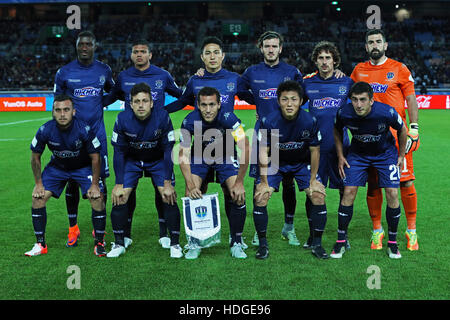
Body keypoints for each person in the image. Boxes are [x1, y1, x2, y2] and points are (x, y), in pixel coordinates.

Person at [166, 36, 251, 248]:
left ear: (223, 55)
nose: (212, 56)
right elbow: (184, 101)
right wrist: (158, 111)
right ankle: (195, 241)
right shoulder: (196, 80)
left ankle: (236, 240)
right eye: (208, 53)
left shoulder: (234, 78)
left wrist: (268, 110)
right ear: (202, 57)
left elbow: (251, 96)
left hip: (226, 146)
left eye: (216, 52)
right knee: (193, 191)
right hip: (200, 148)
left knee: (233, 192)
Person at [104, 39, 183, 250]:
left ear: (150, 55)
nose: (139, 55)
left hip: (157, 149)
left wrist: (165, 112)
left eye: (143, 51)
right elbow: (112, 96)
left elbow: (183, 96)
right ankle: (121, 239)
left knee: (165, 192)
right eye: (135, 52)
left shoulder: (163, 75)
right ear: (131, 55)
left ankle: (166, 235)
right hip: (132, 153)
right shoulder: (123, 77)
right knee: (122, 195)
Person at [351, 29, 420, 251]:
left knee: (405, 181)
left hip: (397, 137)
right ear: (366, 47)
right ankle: (377, 230)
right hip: (369, 139)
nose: (374, 45)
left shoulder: (399, 69)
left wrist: (414, 129)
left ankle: (411, 231)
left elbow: (411, 99)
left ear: (385, 45)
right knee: (374, 184)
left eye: (378, 41)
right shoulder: (358, 71)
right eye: (370, 42)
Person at [238, 31, 304, 247]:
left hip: (289, 134)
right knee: (261, 183)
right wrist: (257, 102)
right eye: (267, 46)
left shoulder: (292, 72)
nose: (271, 50)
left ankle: (289, 226)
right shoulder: (251, 72)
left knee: (289, 182)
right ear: (261, 48)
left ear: (280, 48)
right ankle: (260, 231)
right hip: (264, 134)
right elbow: (240, 90)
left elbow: (302, 96)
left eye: (274, 46)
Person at [330, 81, 407, 259]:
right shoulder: (344, 112)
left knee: (393, 194)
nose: (358, 104)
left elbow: (402, 129)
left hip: (385, 154)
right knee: (348, 192)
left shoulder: (386, 112)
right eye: (355, 100)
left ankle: (393, 243)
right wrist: (341, 156)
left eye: (363, 100)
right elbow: (336, 129)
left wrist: (401, 155)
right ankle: (341, 241)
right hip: (358, 155)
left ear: (371, 100)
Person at [254, 80, 328, 260]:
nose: (289, 104)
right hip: (276, 162)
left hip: (301, 162)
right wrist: (263, 183)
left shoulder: (309, 120)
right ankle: (263, 244)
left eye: (294, 99)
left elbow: (315, 150)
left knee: (317, 195)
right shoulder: (268, 121)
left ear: (301, 101)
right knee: (261, 196)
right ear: (278, 101)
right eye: (285, 99)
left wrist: (313, 180)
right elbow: (263, 151)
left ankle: (316, 243)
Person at [26, 95, 107, 257]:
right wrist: (38, 183)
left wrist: (95, 184)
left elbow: (95, 158)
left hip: (83, 167)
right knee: (37, 199)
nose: (62, 114)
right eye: (58, 110)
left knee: (97, 198)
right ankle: (40, 244)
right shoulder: (45, 130)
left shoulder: (84, 129)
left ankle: (99, 242)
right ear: (53, 112)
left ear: (73, 111)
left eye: (66, 110)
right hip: (58, 168)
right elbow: (35, 157)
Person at [54, 31, 114, 247]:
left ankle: (100, 229)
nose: (85, 47)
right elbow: (58, 101)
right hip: (72, 137)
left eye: (88, 43)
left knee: (101, 182)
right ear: (76, 46)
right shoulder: (64, 72)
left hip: (97, 136)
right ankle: (73, 228)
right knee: (71, 180)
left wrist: (99, 102)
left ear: (95, 46)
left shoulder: (104, 70)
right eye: (81, 44)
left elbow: (113, 92)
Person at [178, 86, 250, 260]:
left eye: (212, 104)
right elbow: (183, 154)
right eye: (203, 105)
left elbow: (246, 147)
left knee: (237, 193)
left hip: (225, 154)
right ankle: (195, 242)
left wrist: (240, 182)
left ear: (219, 104)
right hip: (199, 156)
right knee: (190, 193)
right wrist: (190, 184)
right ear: (198, 105)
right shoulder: (189, 121)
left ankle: (236, 241)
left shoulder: (229, 118)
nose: (208, 110)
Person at [302, 41, 353, 249]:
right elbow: (291, 102)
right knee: (312, 192)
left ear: (335, 61)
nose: (324, 62)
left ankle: (344, 236)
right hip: (315, 150)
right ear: (316, 61)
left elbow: (362, 104)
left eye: (328, 58)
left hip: (342, 149)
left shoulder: (347, 82)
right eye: (321, 58)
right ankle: (313, 235)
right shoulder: (307, 83)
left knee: (345, 192)